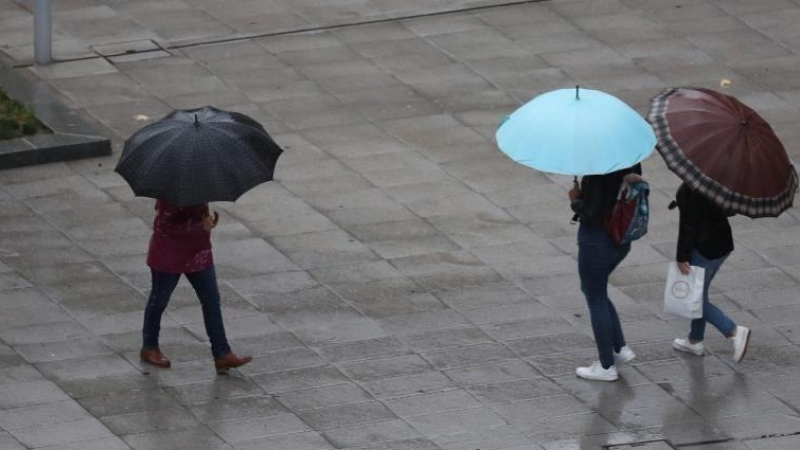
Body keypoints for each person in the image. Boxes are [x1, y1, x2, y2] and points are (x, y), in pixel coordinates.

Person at [140, 199, 252, 374]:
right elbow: (164, 226)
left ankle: (222, 353)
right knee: (159, 299)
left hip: (198, 251)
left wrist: (207, 220)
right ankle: (149, 347)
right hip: (170, 253)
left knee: (211, 300)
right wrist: (201, 225)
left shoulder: (199, 184)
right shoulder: (170, 192)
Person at [569, 164, 641, 381]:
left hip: (597, 240)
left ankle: (606, 366)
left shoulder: (599, 169)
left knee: (595, 296)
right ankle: (619, 347)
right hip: (621, 237)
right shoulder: (631, 160)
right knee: (596, 290)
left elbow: (591, 209)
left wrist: (575, 199)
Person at [670, 183, 750, 362]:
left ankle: (734, 331)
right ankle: (695, 340)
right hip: (722, 245)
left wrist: (681, 257)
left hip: (704, 250)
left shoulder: (689, 190)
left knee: (695, 300)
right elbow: (730, 209)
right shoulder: (718, 181)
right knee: (700, 293)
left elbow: (687, 228)